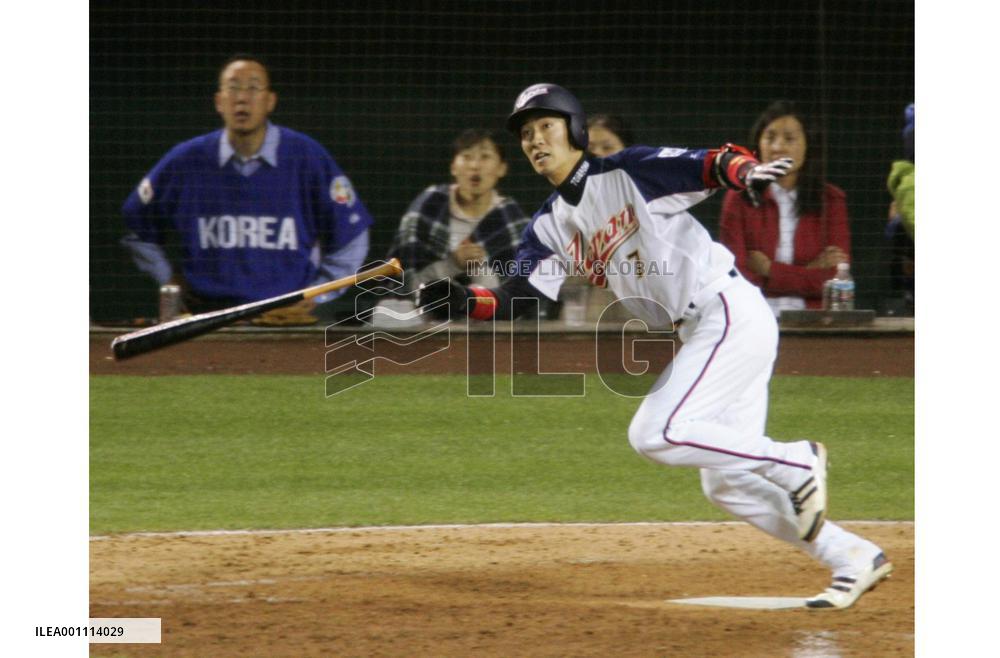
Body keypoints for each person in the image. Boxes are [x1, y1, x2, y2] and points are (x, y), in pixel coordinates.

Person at [419, 83, 892, 609]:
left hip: (726, 310)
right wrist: (463, 301)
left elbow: (713, 163)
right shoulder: (551, 224)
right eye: (527, 133)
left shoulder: (627, 170)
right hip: (706, 330)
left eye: (546, 126)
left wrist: (745, 173)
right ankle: (852, 555)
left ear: (574, 130)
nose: (535, 140)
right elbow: (519, 295)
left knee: (656, 432)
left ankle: (796, 462)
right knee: (726, 486)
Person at [121, 54, 374, 325]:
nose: (242, 98)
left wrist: (317, 295)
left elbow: (353, 235)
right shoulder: (186, 159)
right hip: (204, 318)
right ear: (219, 101)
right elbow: (136, 228)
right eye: (233, 88)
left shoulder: (305, 156)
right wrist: (169, 282)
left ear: (270, 101)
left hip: (286, 320)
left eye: (253, 88)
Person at [718, 101, 851, 317]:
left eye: (789, 139)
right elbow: (737, 278)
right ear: (758, 143)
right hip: (751, 320)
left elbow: (835, 279)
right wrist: (808, 270)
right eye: (770, 137)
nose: (777, 147)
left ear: (809, 145)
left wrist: (770, 270)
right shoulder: (738, 198)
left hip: (816, 325)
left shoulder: (831, 201)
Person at [385, 129, 529, 297]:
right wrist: (452, 264)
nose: (474, 166)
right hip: (424, 313)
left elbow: (520, 292)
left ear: (502, 168)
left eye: (485, 157)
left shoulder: (511, 219)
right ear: (453, 167)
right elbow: (405, 286)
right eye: (467, 157)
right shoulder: (430, 205)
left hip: (490, 316)